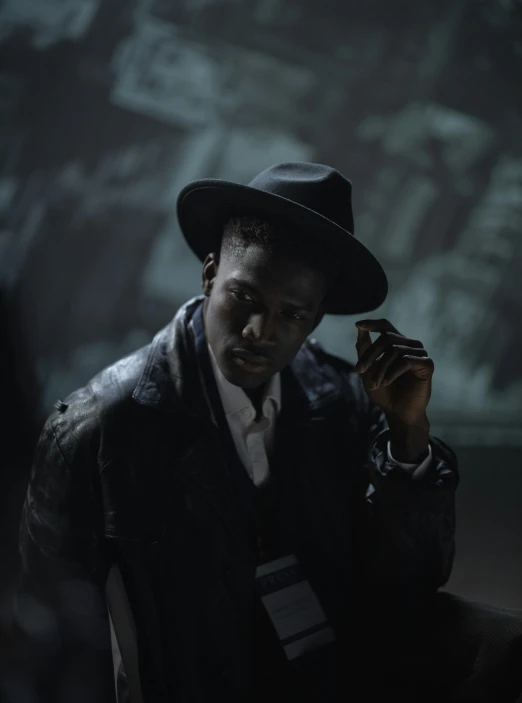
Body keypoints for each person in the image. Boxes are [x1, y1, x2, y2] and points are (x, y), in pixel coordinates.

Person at [14, 163, 522, 703]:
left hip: (336, 657)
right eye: (246, 300)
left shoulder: (341, 396)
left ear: (315, 317)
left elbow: (414, 582)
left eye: (292, 315)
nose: (261, 333)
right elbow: (47, 622)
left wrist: (408, 434)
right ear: (210, 274)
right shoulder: (99, 428)